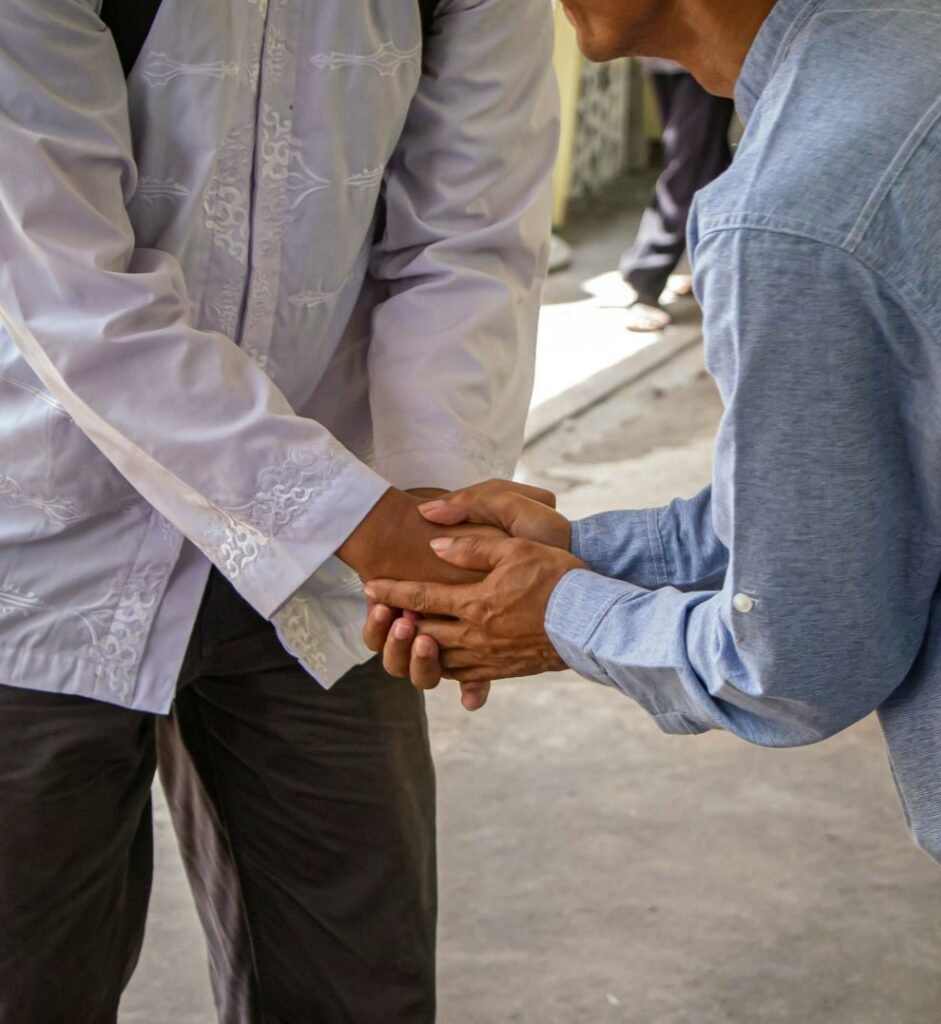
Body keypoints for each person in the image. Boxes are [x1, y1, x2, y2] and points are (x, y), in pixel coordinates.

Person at [364, 0, 941, 1018]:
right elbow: (853, 492)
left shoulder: (807, 202)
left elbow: (799, 657)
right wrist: (580, 550)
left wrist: (555, 613)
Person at [0, 0, 557, 1019]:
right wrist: (369, 525)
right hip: (39, 544)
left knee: (357, 983)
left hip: (336, 554)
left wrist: (435, 507)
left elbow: (466, 238)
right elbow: (71, 284)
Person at [619, 60, 733, 332]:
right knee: (701, 159)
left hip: (703, 51)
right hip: (664, 50)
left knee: (694, 160)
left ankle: (648, 276)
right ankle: (704, 266)